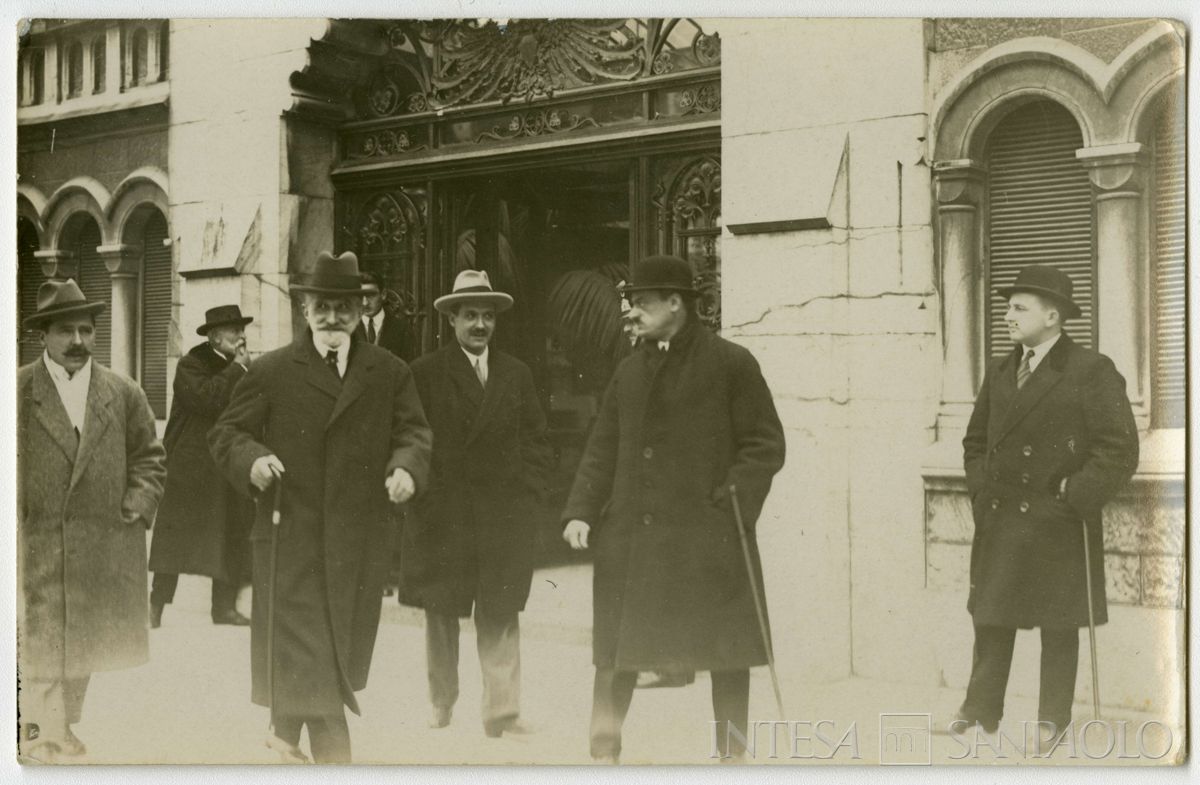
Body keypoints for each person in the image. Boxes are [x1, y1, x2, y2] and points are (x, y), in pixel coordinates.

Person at [561, 255, 787, 763]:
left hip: (708, 537)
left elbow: (765, 445)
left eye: (640, 303)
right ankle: (602, 753)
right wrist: (580, 509)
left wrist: (730, 504)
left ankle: (733, 757)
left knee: (727, 654)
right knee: (616, 653)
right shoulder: (627, 371)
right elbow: (602, 447)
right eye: (630, 303)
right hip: (633, 539)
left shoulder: (732, 363)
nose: (630, 313)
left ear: (675, 304)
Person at [209, 250, 432, 763]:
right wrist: (254, 458)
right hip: (291, 537)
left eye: (344, 308)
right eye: (322, 306)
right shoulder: (272, 370)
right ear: (304, 308)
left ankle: (284, 740)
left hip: (357, 541)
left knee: (326, 653)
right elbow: (227, 432)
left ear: (360, 311)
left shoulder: (389, 371)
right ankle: (335, 761)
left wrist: (405, 467)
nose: (333, 318)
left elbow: (414, 431)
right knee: (316, 657)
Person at [957, 265, 1138, 745]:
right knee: (991, 616)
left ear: (1053, 316)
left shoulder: (1089, 370)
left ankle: (1051, 719)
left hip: (1056, 520)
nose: (1007, 317)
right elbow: (975, 442)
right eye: (1007, 307)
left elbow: (1119, 449)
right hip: (1000, 514)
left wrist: (1073, 497)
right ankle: (980, 709)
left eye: (1019, 307)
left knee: (1059, 623)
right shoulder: (1000, 370)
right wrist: (981, 491)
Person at [17, 279, 167, 763]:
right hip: (37, 538)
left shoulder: (122, 392)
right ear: (44, 335)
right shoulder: (18, 390)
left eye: (86, 330)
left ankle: (61, 726)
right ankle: (38, 731)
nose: (78, 341)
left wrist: (138, 505)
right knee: (41, 632)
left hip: (104, 538)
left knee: (83, 637)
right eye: (66, 330)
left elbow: (150, 457)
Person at [400, 269, 552, 737]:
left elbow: (537, 441)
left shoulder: (516, 373)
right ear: (452, 320)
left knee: (500, 610)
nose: (480, 325)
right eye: (470, 316)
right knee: (442, 613)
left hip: (503, 515)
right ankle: (441, 702)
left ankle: (501, 712)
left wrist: (531, 494)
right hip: (445, 515)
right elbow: (414, 437)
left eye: (488, 316)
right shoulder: (425, 372)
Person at [148, 305, 256, 628]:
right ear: (214, 337)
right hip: (189, 466)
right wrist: (238, 369)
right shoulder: (190, 364)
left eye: (241, 329)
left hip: (225, 462)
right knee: (174, 540)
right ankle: (156, 605)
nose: (241, 336)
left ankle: (223, 608)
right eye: (233, 330)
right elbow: (207, 399)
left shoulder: (243, 369)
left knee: (231, 531)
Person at [355, 270, 414, 361]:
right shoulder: (347, 329)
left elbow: (408, 369)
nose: (365, 303)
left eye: (370, 295)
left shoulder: (402, 329)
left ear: (383, 295)